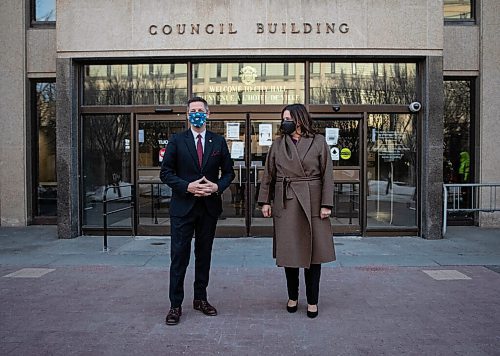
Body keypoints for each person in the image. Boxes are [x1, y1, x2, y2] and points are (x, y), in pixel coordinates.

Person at [160, 96, 235, 326]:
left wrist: (216, 187)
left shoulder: (218, 141)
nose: (196, 114)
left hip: (208, 209)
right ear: (186, 115)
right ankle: (175, 305)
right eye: (192, 110)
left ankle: (200, 299)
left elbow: (229, 173)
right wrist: (187, 186)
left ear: (208, 114)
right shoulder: (177, 140)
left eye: (200, 110)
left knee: (204, 257)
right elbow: (166, 173)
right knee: (179, 257)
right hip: (183, 209)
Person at [257, 103, 336, 319]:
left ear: (300, 118)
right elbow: (268, 175)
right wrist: (265, 201)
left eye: (289, 118)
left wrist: (326, 204)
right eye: (283, 118)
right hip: (286, 201)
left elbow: (327, 174)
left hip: (313, 200)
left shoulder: (318, 142)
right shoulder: (277, 144)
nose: (285, 122)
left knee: (314, 253)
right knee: (289, 252)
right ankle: (292, 297)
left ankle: (312, 300)